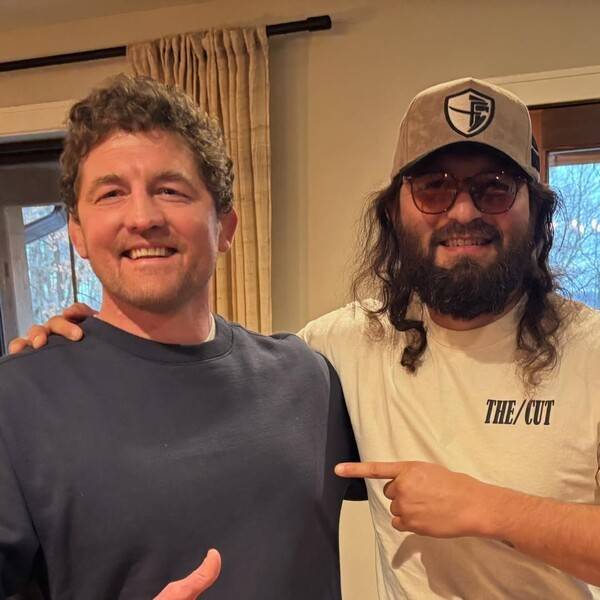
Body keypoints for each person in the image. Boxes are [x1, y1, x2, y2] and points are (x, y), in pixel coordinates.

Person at [14, 77, 600, 598]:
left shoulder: (590, 349)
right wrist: (64, 360)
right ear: (395, 212)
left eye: (495, 188)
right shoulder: (338, 348)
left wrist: (491, 509)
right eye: (434, 188)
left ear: (535, 209)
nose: (463, 211)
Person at [0, 74, 364, 600]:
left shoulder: (309, 380)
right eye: (111, 193)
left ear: (226, 227)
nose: (143, 217)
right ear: (76, 232)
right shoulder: (16, 404)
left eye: (170, 190)